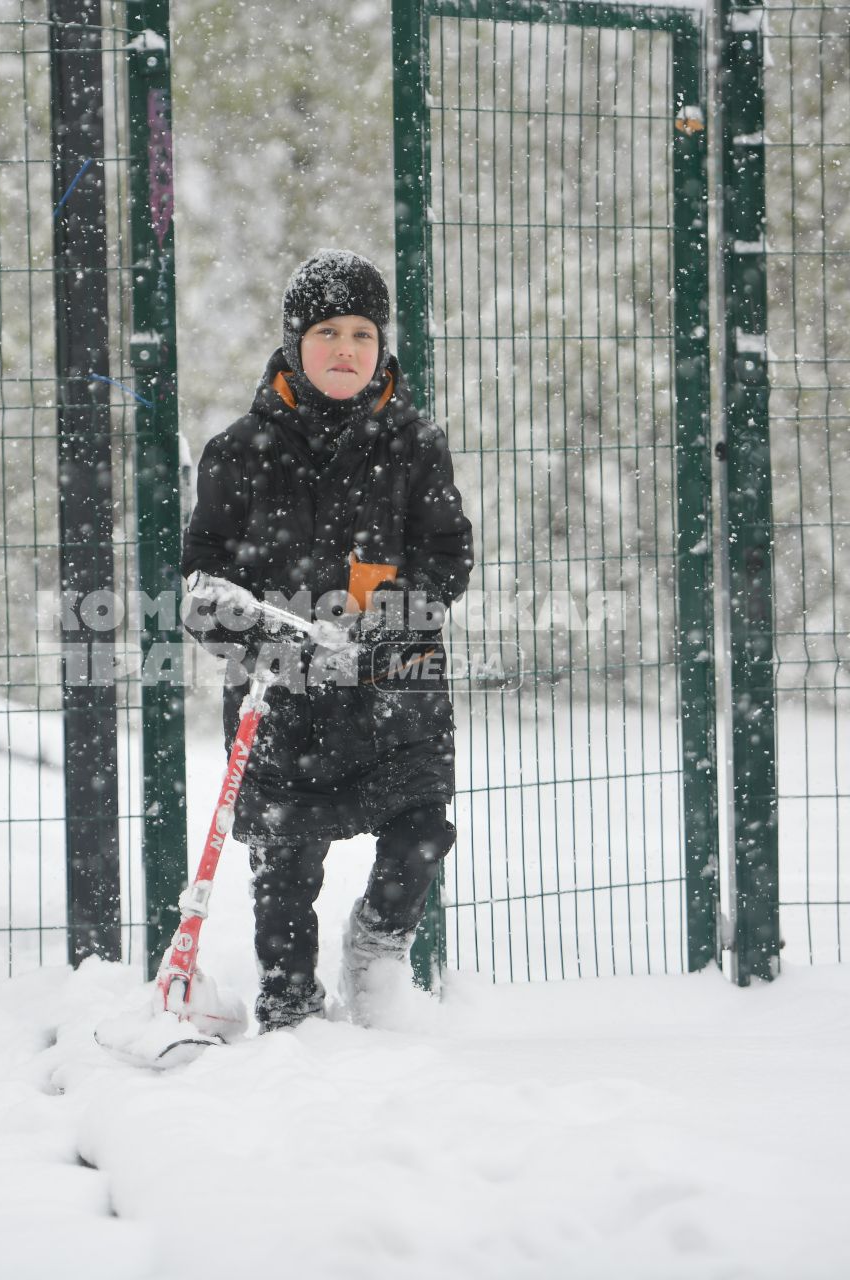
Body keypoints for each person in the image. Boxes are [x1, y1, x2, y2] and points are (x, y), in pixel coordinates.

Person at [181, 249, 474, 1031]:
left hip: (395, 696)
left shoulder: (414, 443)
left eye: (363, 333)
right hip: (284, 705)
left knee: (419, 835)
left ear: (382, 346)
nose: (347, 349)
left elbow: (448, 556)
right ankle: (289, 1003)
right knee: (285, 864)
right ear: (292, 342)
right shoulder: (238, 453)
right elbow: (201, 582)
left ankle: (377, 956)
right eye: (327, 332)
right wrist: (258, 630)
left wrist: (391, 627)